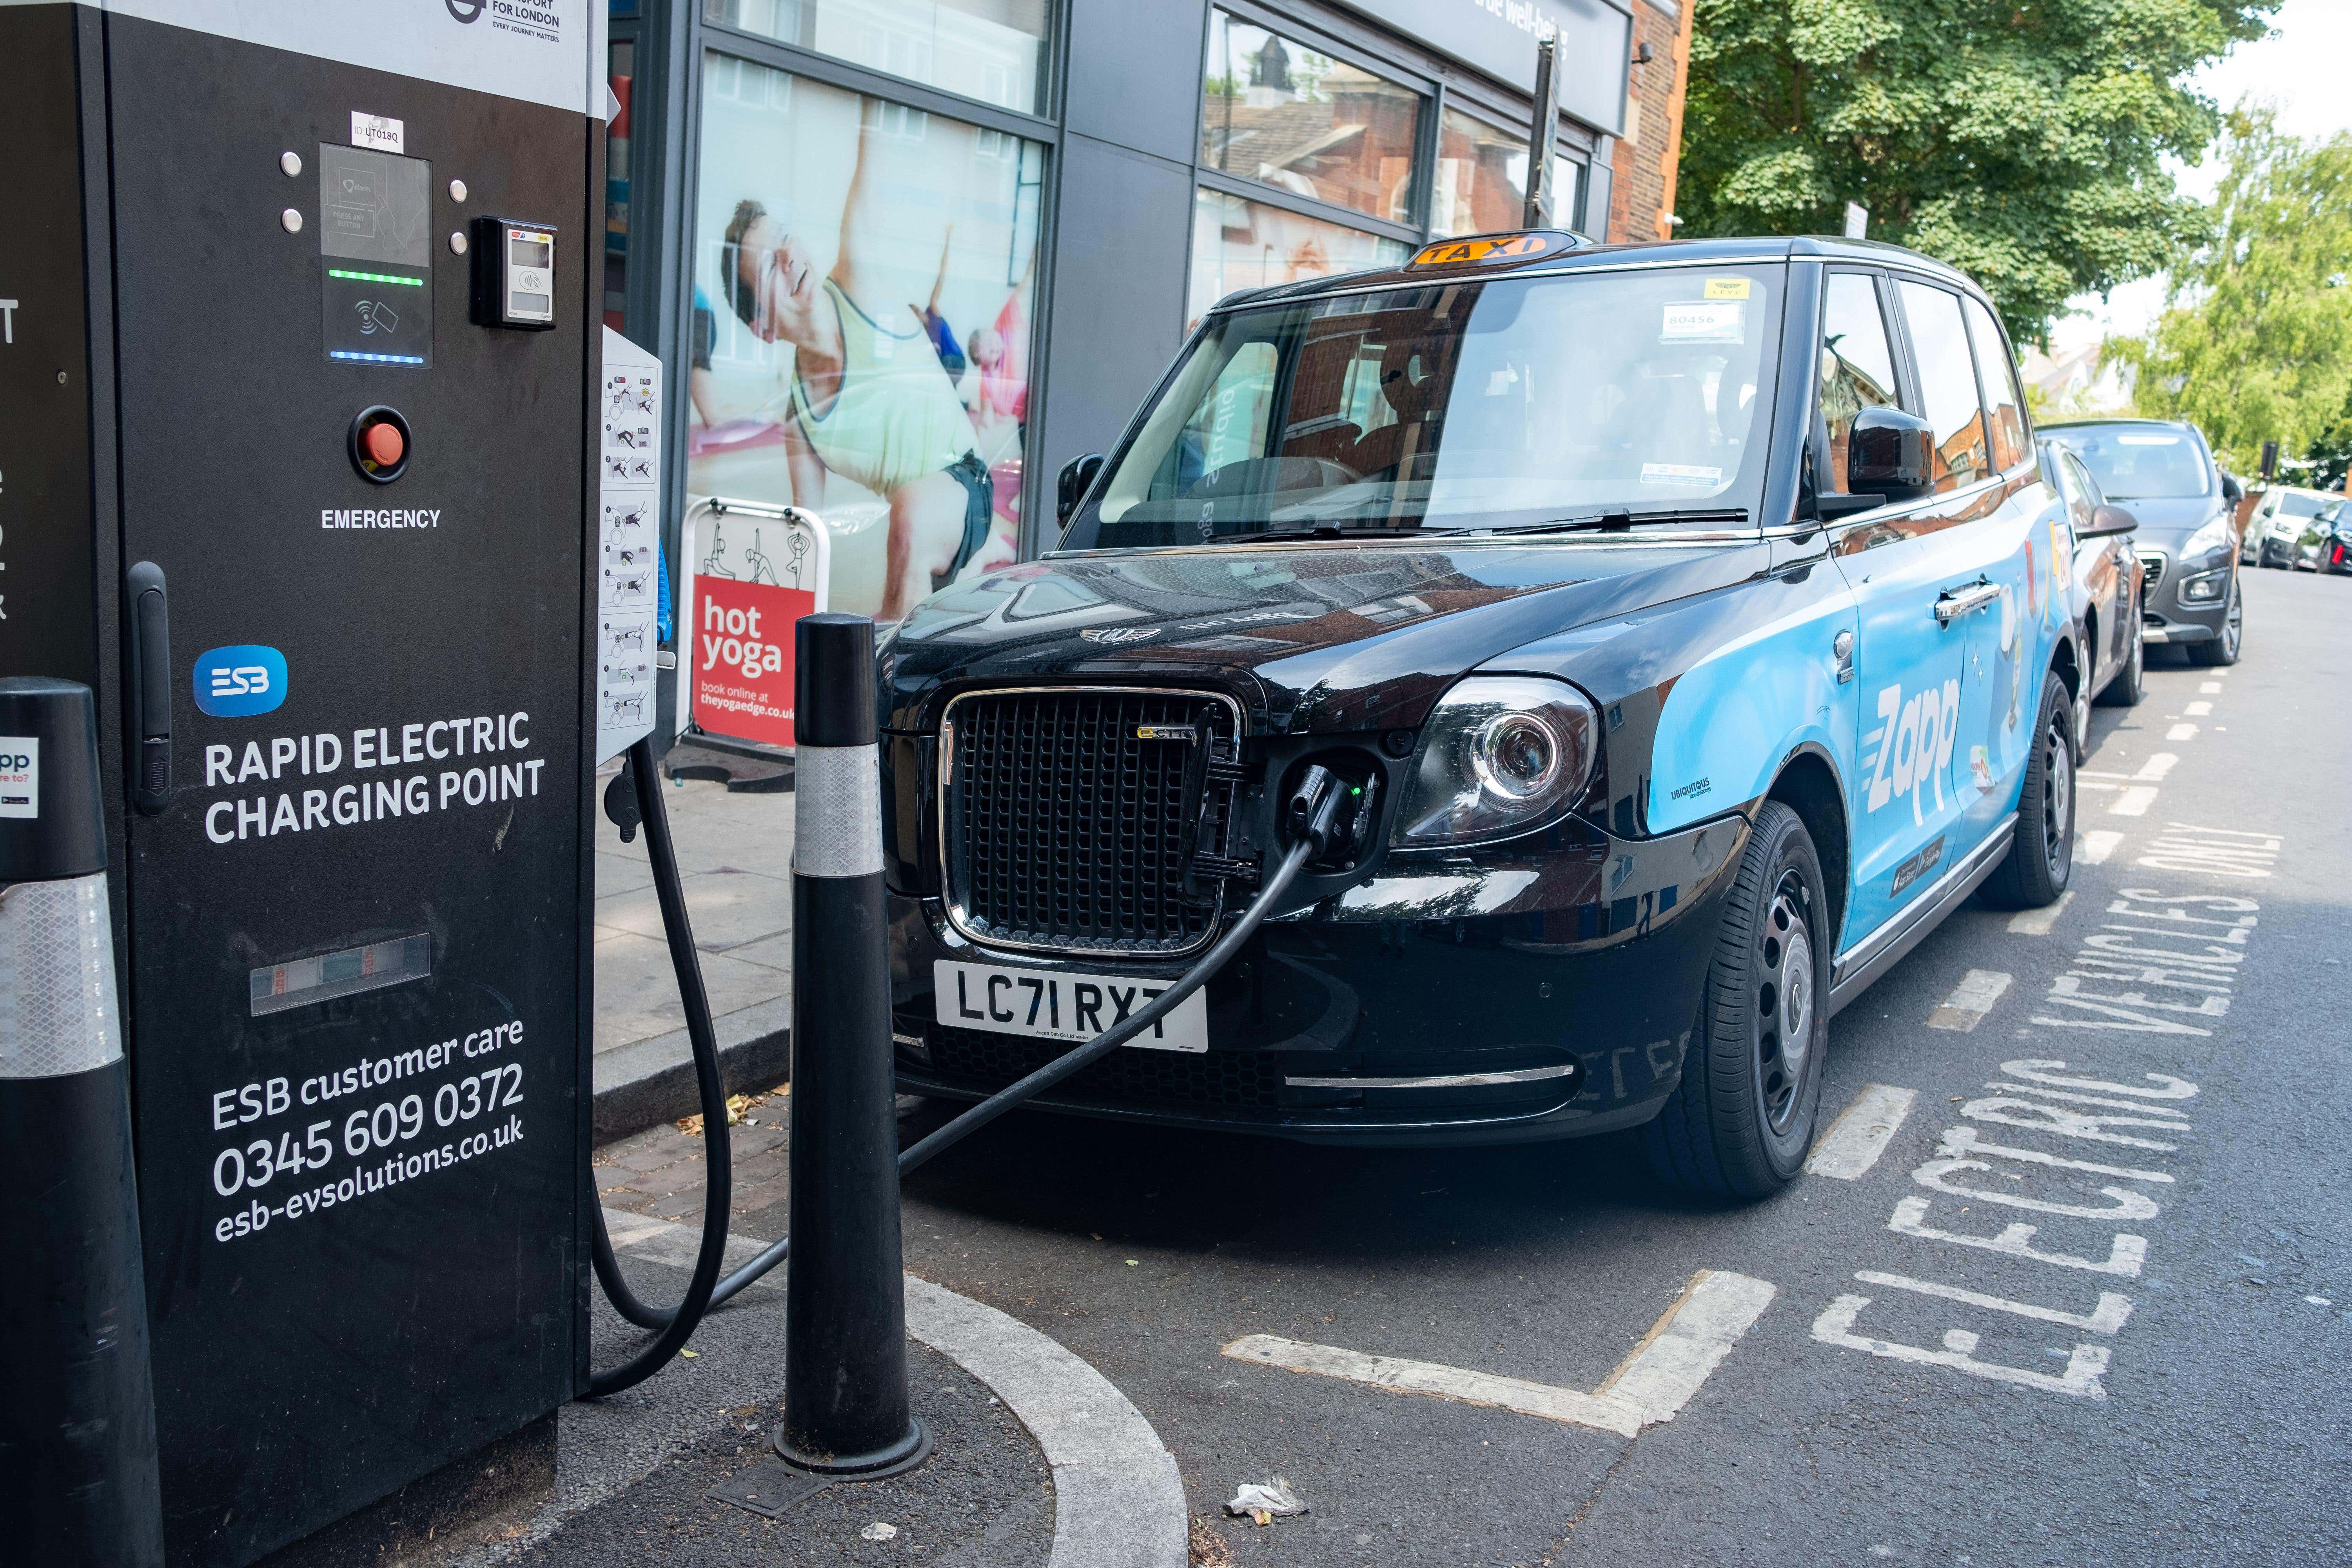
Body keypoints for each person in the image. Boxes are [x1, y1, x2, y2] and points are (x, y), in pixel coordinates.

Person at [718, 103, 993, 622]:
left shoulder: (858, 282)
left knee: (909, 518)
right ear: (763, 328)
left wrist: (874, 99)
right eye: (768, 267)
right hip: (911, 521)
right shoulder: (801, 420)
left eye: (783, 239)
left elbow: (871, 162)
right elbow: (808, 538)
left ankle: (883, 698)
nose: (787, 257)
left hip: (965, 484)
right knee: (890, 590)